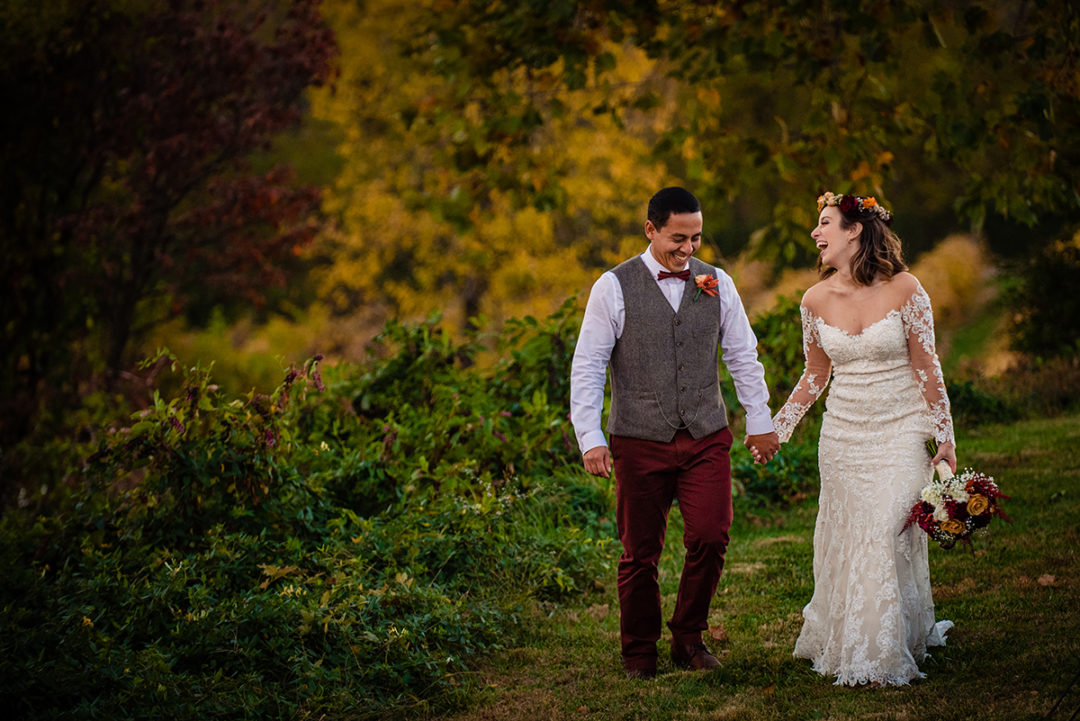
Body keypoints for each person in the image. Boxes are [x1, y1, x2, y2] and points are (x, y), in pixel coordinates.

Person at [570, 186, 780, 680]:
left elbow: (742, 355)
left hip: (705, 433)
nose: (688, 250)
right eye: (677, 239)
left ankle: (688, 636)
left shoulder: (717, 282)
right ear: (650, 230)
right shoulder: (613, 286)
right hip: (638, 438)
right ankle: (638, 651)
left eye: (696, 239)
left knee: (711, 534)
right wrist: (590, 436)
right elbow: (589, 365)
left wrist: (760, 419)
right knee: (639, 553)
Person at [769, 191, 957, 686]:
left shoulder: (907, 289)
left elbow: (926, 366)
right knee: (853, 539)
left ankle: (879, 655)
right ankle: (855, 636)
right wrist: (778, 428)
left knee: (883, 532)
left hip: (899, 430)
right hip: (843, 438)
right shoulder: (814, 300)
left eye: (825, 222)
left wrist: (945, 436)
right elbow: (814, 375)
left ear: (854, 230)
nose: (816, 232)